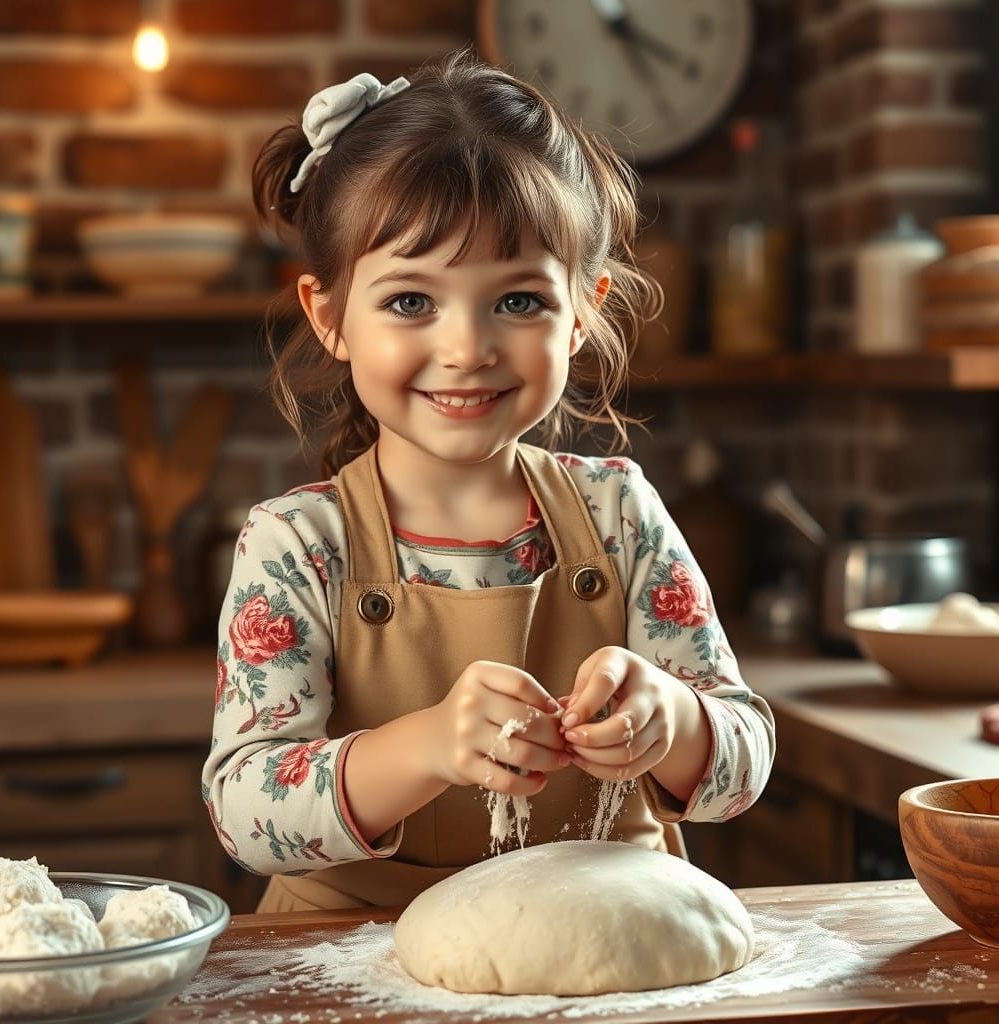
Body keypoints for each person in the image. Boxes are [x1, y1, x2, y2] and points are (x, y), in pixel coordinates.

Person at [203, 48, 775, 912]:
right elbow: (245, 813)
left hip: (603, 938)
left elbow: (742, 769)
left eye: (518, 301)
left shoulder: (621, 513)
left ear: (582, 313)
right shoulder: (295, 547)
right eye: (410, 302)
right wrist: (428, 745)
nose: (467, 347)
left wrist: (677, 722)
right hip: (345, 956)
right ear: (330, 317)